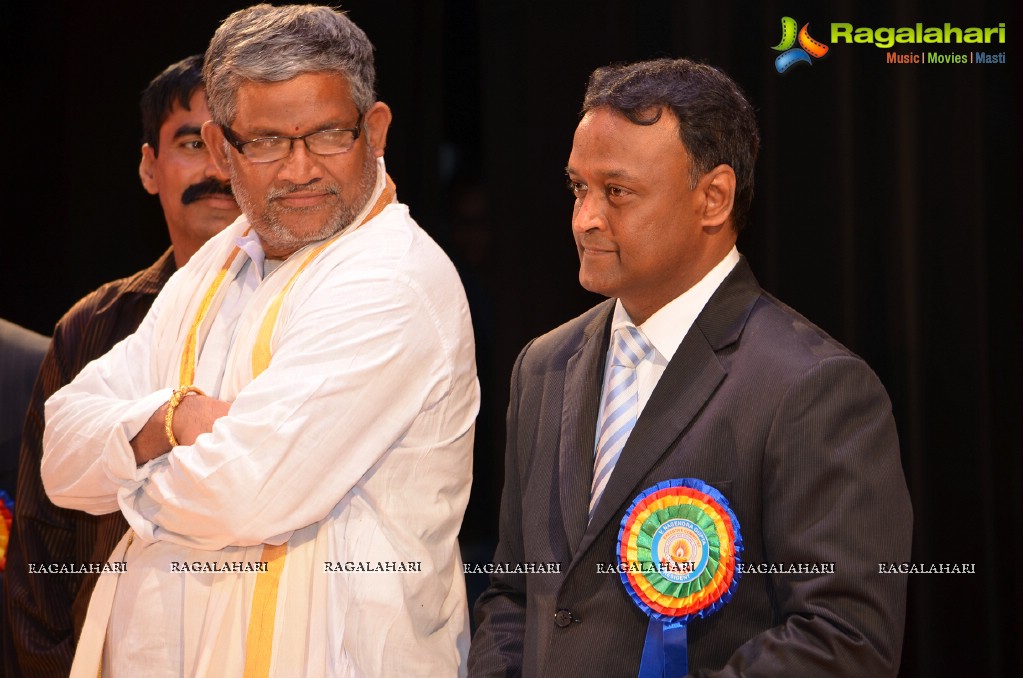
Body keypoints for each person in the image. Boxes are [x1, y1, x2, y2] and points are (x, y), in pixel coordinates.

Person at [41, 5, 478, 677]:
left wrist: (129, 463)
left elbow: (245, 494)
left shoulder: (391, 276)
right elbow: (61, 457)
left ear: (376, 129)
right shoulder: (217, 263)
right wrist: (174, 417)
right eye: (268, 141)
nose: (301, 169)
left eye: (329, 134)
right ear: (221, 149)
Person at [468, 58, 912, 676]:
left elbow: (842, 637)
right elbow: (517, 592)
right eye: (578, 188)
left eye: (617, 192)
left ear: (714, 198)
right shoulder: (544, 365)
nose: (584, 219)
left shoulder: (814, 386)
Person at [4, 54, 240, 677]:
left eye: (235, 143)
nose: (218, 169)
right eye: (193, 142)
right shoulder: (94, 324)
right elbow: (40, 538)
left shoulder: (309, 310)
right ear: (148, 167)